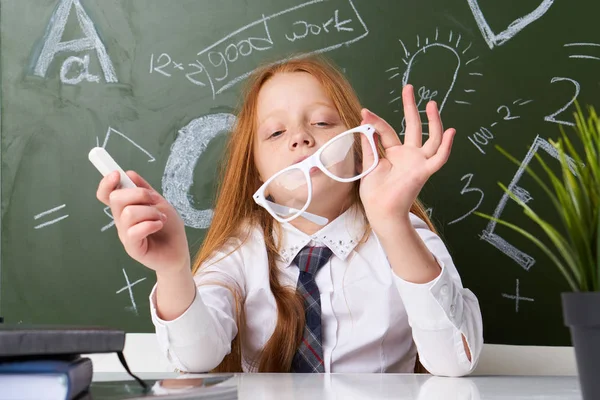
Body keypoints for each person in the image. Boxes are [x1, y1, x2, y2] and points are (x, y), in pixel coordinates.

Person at [96, 55, 483, 376]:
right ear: (257, 170)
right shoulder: (241, 251)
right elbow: (196, 358)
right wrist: (173, 269)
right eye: (276, 133)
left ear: (359, 146)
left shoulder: (403, 234)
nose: (300, 137)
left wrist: (392, 222)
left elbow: (454, 362)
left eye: (322, 122)